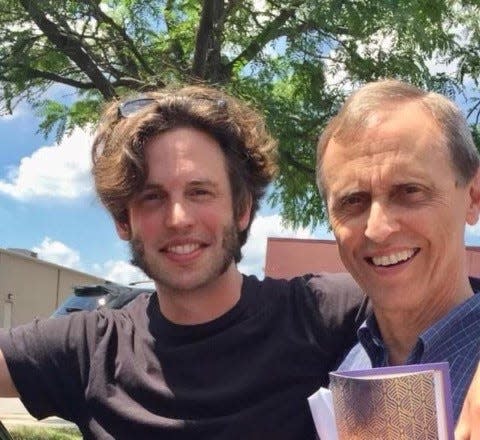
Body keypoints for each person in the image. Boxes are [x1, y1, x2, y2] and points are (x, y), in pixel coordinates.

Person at [0, 85, 366, 439]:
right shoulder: (89, 350)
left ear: (242, 209)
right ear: (123, 221)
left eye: (200, 192)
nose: (178, 218)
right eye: (152, 196)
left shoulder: (325, 315)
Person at [316, 78, 480, 423]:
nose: (378, 228)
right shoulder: (342, 369)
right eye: (353, 201)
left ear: (473, 196)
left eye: (409, 191)